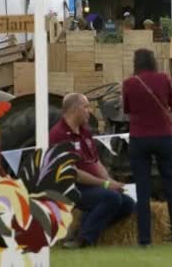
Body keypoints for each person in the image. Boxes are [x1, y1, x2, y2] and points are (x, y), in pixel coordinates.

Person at [122, 48, 172, 248]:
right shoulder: (163, 79)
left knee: (142, 190)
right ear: (153, 61)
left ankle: (145, 240)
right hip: (164, 136)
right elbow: (171, 104)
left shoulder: (129, 83)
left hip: (139, 138)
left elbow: (127, 109)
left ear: (136, 63)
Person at [49, 93, 135, 248]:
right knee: (112, 198)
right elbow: (73, 173)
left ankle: (83, 228)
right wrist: (106, 185)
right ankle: (83, 239)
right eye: (86, 107)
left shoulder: (85, 132)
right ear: (75, 109)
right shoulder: (59, 134)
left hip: (89, 186)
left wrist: (110, 181)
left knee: (128, 204)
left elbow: (96, 162)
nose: (90, 111)